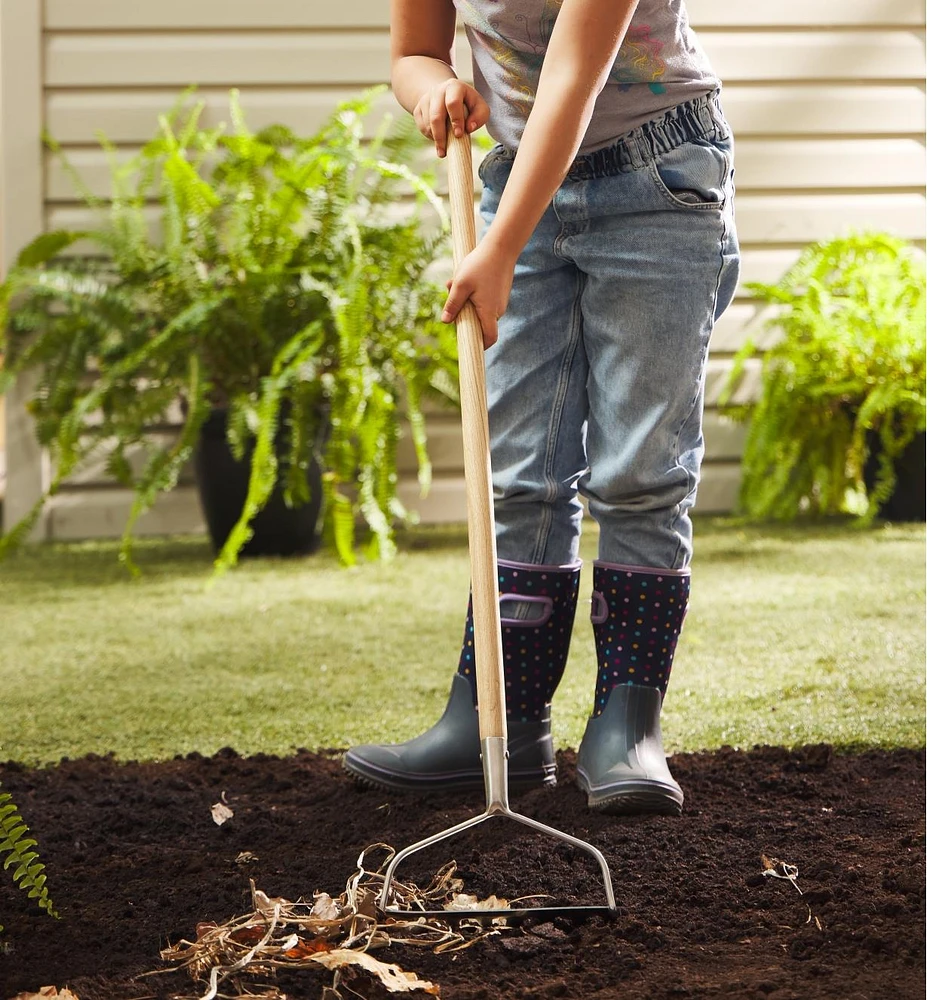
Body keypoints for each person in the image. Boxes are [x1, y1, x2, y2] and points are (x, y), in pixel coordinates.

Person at [343, 0, 740, 815]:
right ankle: (498, 720)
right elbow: (412, 50)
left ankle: (626, 730)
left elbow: (569, 79)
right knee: (519, 473)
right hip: (518, 185)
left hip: (657, 183)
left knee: (640, 471)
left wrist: (498, 250)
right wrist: (433, 88)